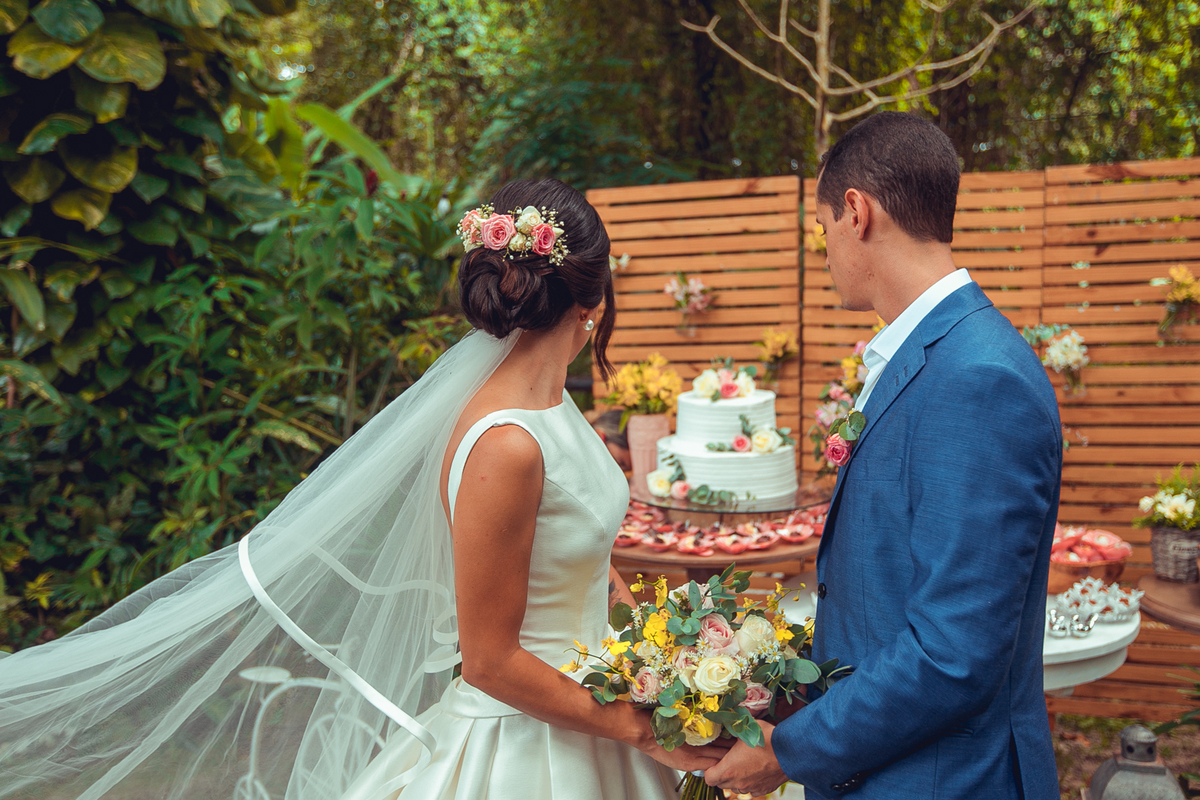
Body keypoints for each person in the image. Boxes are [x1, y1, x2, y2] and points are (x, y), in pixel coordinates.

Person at [0, 178, 727, 800]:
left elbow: (591, 566)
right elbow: (490, 659)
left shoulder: (557, 408)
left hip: (604, 715)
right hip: (531, 746)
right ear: (593, 300)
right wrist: (638, 726)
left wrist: (674, 664)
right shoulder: (506, 445)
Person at [703, 112, 1063, 799]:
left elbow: (953, 652)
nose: (827, 250)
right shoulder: (925, 355)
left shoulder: (981, 379)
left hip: (943, 780)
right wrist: (786, 685)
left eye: (823, 229)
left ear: (856, 213)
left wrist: (792, 751)